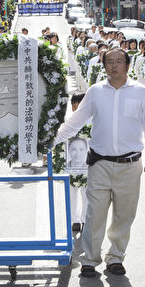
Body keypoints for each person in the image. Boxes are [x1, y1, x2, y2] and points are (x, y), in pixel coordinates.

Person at [54, 48, 145, 278]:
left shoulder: (141, 93)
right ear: (104, 66)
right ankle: (90, 259)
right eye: (109, 62)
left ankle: (115, 258)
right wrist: (51, 140)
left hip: (130, 165)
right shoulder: (95, 92)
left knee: (124, 214)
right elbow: (75, 122)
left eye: (119, 61)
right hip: (100, 163)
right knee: (95, 213)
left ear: (128, 65)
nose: (114, 66)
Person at [66, 93, 89, 233]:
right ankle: (75, 220)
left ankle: (85, 219)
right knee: (73, 191)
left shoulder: (91, 121)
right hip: (72, 163)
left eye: (78, 105)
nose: (76, 109)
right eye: (73, 106)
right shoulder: (69, 121)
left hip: (87, 162)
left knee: (86, 193)